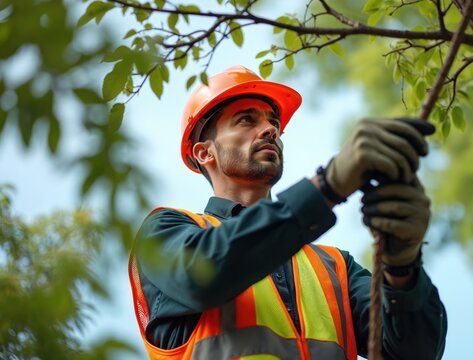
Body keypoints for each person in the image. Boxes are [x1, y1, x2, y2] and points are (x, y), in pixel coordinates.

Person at [129, 65, 447, 359]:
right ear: (205, 152)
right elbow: (200, 275)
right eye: (247, 120)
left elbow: (415, 351)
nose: (270, 130)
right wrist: (327, 185)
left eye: (273, 122)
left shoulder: (336, 268)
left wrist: (403, 266)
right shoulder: (164, 230)